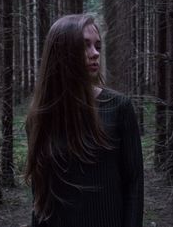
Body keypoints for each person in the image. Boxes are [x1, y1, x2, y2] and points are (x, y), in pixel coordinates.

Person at [25, 14, 144, 227]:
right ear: (61, 52)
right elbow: (40, 198)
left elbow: (134, 184)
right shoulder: (40, 116)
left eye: (97, 46)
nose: (95, 53)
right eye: (85, 46)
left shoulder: (119, 108)